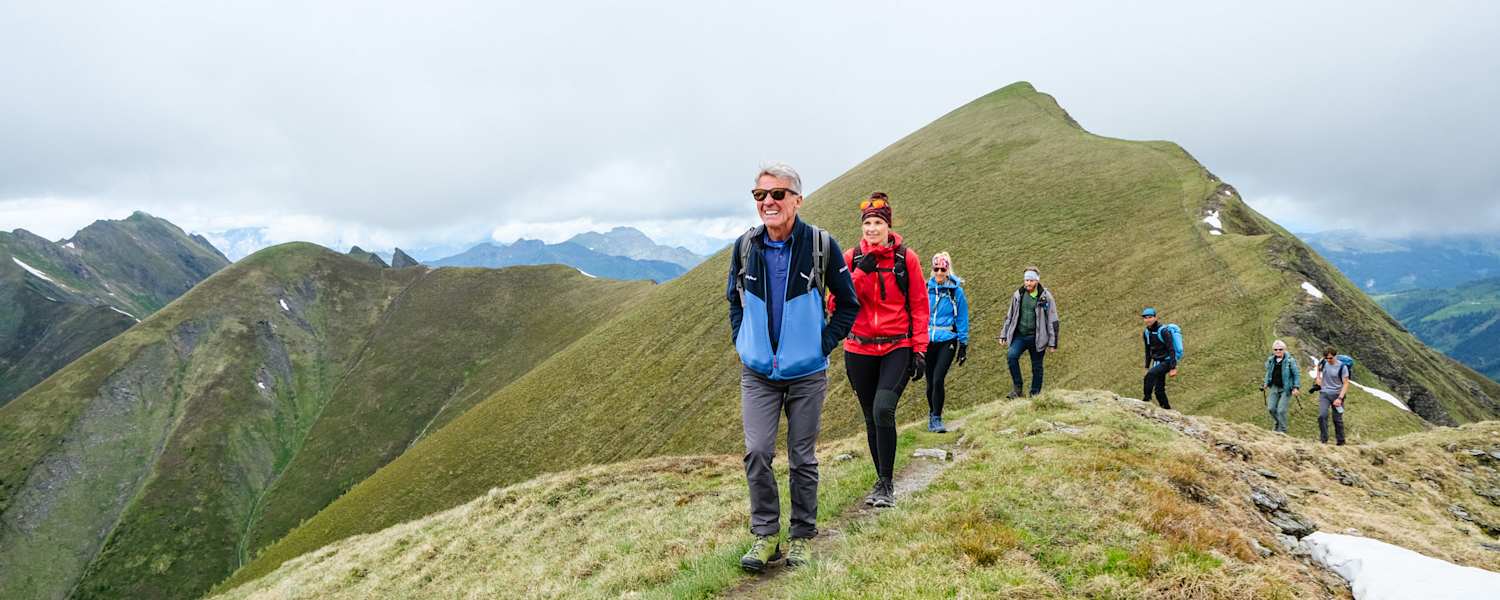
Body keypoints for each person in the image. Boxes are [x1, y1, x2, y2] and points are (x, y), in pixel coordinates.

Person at [727, 162, 859, 573]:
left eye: (777, 194)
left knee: (801, 456)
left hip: (806, 373)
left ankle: (801, 537)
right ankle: (766, 535)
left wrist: (819, 344)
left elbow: (849, 304)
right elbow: (733, 298)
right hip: (758, 373)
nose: (768, 202)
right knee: (757, 451)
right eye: (759, 195)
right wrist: (742, 341)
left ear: (797, 200)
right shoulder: (745, 246)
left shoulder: (821, 245)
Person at [838, 192, 929, 509]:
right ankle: (880, 481)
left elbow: (919, 305)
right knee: (869, 417)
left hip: (897, 347)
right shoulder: (850, 259)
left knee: (882, 410)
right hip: (859, 348)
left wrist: (920, 349)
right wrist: (861, 271)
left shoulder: (907, 259)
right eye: (868, 223)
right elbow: (835, 304)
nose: (872, 229)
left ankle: (887, 483)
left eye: (878, 223)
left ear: (888, 226)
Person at [924, 252, 969, 433]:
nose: (940, 273)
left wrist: (963, 344)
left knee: (938, 379)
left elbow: (962, 317)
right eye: (937, 269)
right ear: (932, 270)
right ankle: (932, 414)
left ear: (948, 269)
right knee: (929, 382)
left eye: (943, 269)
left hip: (947, 340)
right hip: (927, 340)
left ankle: (937, 418)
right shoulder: (925, 288)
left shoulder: (956, 291)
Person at [997, 267, 1059, 398]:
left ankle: (1034, 394)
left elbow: (1053, 320)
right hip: (1020, 336)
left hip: (1038, 338)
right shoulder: (1018, 295)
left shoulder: (1045, 297)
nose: (1028, 283)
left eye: (1031, 280)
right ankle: (1017, 389)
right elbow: (1010, 315)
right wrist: (1004, 333)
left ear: (1037, 281)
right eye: (1026, 280)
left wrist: (1053, 343)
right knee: (1011, 356)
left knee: (1037, 367)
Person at [1260, 340, 1301, 433]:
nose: (1278, 351)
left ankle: (1283, 431)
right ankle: (1277, 423)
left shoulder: (1290, 360)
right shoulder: (1271, 360)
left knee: (1281, 410)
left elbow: (1296, 374)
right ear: (1273, 350)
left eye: (1280, 349)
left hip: (1286, 388)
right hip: (1274, 387)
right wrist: (1266, 383)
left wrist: (1296, 387)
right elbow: (1268, 373)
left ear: (1284, 349)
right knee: (1271, 408)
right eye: (1276, 349)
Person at [1141, 307, 1177, 409]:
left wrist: (1173, 367)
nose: (1148, 320)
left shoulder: (1163, 331)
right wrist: (1147, 366)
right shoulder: (1146, 333)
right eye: (1146, 318)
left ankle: (1146, 398)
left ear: (1156, 317)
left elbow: (1171, 349)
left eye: (1150, 317)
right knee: (1159, 390)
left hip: (1167, 361)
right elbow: (1148, 350)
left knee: (1150, 374)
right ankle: (1167, 408)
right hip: (1157, 362)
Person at [1312, 348, 1350, 445]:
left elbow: (1346, 383)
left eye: (1330, 358)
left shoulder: (1342, 367)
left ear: (1335, 356)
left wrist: (1340, 398)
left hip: (1337, 395)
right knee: (1322, 416)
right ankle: (1323, 440)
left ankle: (1341, 441)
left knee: (1337, 419)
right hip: (1324, 393)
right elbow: (1318, 368)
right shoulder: (1324, 362)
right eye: (1326, 358)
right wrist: (1318, 378)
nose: (1328, 360)